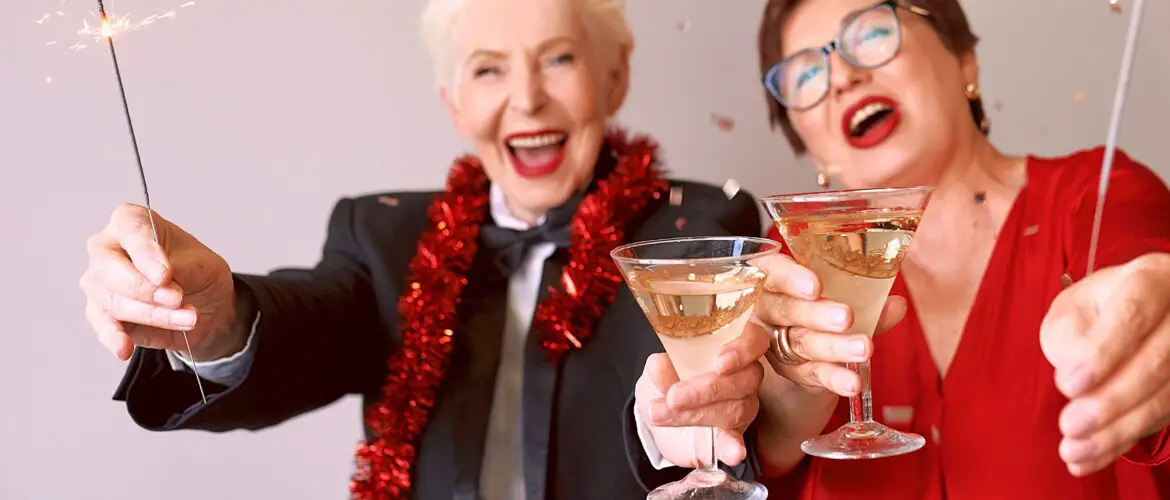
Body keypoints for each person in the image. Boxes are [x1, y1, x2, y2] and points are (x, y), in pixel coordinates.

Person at [77, 0, 769, 497]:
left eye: (558, 59)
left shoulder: (702, 228)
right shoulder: (383, 235)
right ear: (454, 103)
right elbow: (308, 325)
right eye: (488, 71)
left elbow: (743, 419)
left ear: (615, 78)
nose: (526, 100)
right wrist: (217, 317)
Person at [634, 0, 1170, 498]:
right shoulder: (781, 267)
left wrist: (1147, 331)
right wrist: (757, 426)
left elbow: (1147, 290)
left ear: (964, 61)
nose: (843, 76)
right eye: (807, 74)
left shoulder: (1097, 196)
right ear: (803, 137)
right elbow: (733, 453)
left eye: (870, 34)